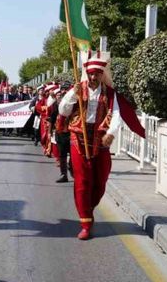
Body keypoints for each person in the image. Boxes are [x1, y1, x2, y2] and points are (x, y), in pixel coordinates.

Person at [59, 51, 143, 240]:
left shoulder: (110, 93)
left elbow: (116, 114)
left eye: (97, 73)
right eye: (90, 73)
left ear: (102, 74)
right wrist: (73, 95)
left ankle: (88, 207)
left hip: (101, 138)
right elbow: (63, 110)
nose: (93, 77)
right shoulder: (78, 89)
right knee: (82, 181)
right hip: (79, 137)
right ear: (86, 73)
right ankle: (85, 223)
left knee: (101, 180)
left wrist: (111, 133)